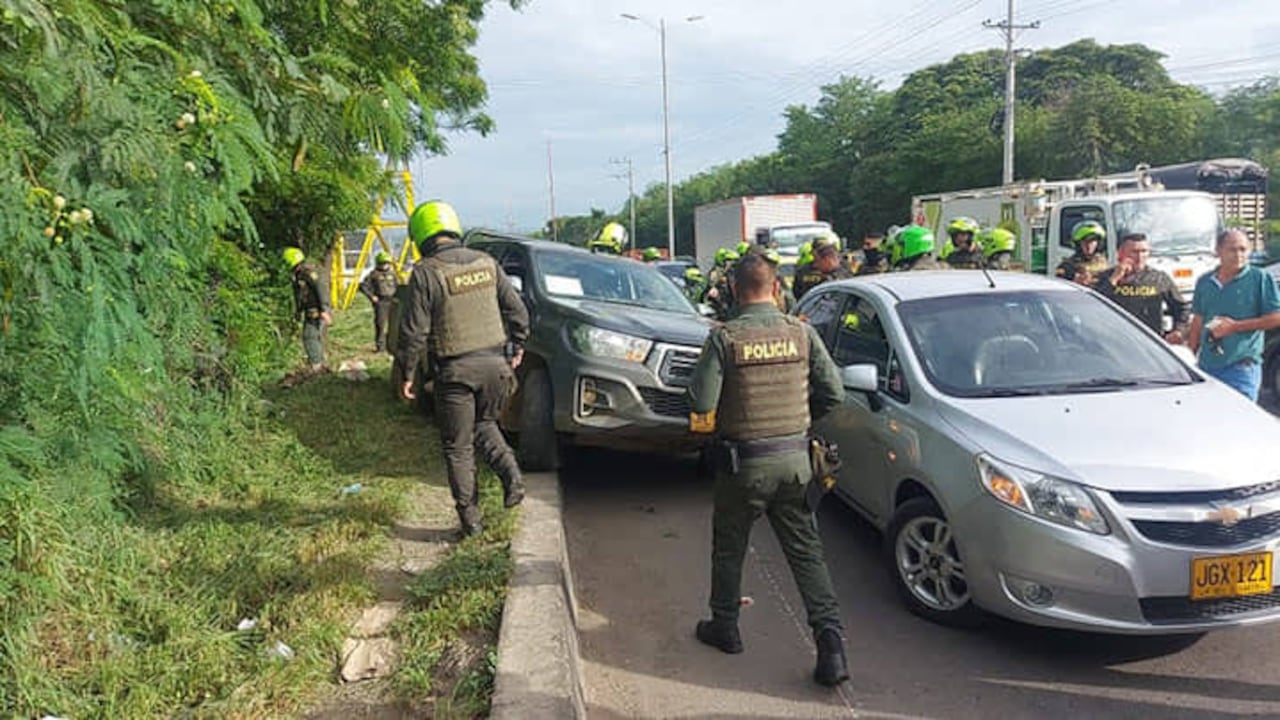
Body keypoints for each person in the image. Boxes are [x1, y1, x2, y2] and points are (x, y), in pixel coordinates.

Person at [686, 252, 849, 687]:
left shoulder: (725, 339)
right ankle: (831, 644)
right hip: (796, 463)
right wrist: (800, 421)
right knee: (806, 552)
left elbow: (701, 404)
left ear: (737, 291)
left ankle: (726, 628)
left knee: (729, 546)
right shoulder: (801, 333)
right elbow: (834, 393)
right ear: (776, 289)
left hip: (743, 466)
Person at [397, 200, 532, 536]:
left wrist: (407, 373)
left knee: (458, 446)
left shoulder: (426, 272)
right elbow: (517, 310)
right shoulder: (487, 263)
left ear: (420, 236)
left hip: (456, 372)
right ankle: (511, 474)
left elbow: (414, 331)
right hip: (497, 367)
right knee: (485, 424)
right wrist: (518, 345)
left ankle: (470, 521)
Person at [1186, 229, 1280, 401]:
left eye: (1243, 249)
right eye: (1232, 249)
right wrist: (1190, 359)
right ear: (1218, 251)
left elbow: (1276, 317)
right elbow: (1198, 322)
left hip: (1241, 367)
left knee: (1240, 421)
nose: (1238, 255)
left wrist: (1235, 327)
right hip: (1208, 367)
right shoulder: (1205, 282)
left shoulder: (1260, 279)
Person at [1093, 233, 1189, 342]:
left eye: (1144, 251)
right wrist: (1114, 278)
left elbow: (1181, 307)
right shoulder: (1106, 277)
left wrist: (1178, 330)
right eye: (1134, 252)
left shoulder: (1158, 278)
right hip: (1115, 341)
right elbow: (1093, 305)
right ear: (1121, 253)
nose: (1139, 257)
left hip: (1150, 341)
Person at [283, 247, 331, 372]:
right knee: (313, 335)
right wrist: (298, 312)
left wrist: (324, 309)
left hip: (316, 309)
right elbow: (299, 296)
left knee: (309, 336)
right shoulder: (298, 275)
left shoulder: (308, 273)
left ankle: (317, 364)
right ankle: (318, 361)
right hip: (310, 309)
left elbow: (320, 289)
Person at [359, 251, 400, 353]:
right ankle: (380, 347)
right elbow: (363, 286)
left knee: (394, 325)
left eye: (387, 263)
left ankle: (392, 346)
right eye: (383, 263)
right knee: (380, 324)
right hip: (381, 302)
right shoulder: (373, 274)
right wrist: (371, 296)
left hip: (392, 301)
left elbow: (397, 285)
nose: (385, 265)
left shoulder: (393, 274)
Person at [792, 234, 854, 300]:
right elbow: (797, 293)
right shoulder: (803, 270)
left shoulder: (843, 268)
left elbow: (850, 286)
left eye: (830, 254)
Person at [1055, 221, 1108, 286]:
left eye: (1092, 242)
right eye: (1085, 242)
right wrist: (1075, 282)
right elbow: (1060, 288)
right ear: (1078, 244)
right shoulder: (1067, 266)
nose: (1089, 246)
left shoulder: (1102, 262)